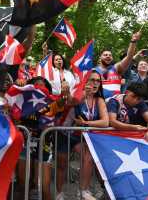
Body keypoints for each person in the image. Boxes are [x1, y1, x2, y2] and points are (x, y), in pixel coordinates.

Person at [56, 70, 109, 200]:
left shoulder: (99, 100)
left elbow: (105, 122)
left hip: (80, 136)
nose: (95, 83)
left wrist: (86, 122)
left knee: (89, 157)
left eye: (98, 81)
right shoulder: (78, 93)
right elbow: (70, 102)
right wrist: (82, 93)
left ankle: (83, 191)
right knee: (62, 164)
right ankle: (59, 193)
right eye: (92, 80)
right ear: (85, 81)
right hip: (64, 133)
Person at [95, 31, 141, 98]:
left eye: (110, 55)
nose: (108, 56)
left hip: (115, 105)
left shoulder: (116, 68)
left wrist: (133, 41)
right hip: (98, 105)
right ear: (100, 57)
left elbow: (129, 57)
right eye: (105, 55)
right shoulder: (93, 71)